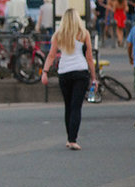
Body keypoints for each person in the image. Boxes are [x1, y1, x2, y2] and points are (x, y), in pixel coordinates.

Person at [41, 8, 96, 151]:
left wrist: (45, 72)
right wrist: (94, 78)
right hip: (80, 72)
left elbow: (51, 56)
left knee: (68, 106)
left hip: (64, 72)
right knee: (76, 106)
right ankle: (73, 139)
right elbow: (89, 57)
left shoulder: (59, 35)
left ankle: (69, 138)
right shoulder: (84, 34)